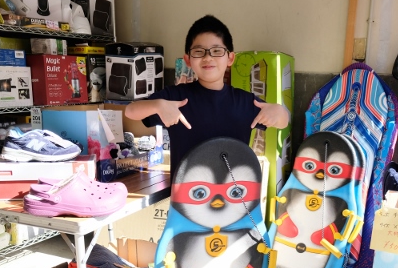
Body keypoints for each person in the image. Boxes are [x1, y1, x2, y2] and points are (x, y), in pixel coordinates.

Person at [124, 14, 290, 177]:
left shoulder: (244, 102)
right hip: (185, 193)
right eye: (199, 51)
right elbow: (131, 111)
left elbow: (283, 122)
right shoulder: (175, 97)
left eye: (216, 51)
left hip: (233, 192)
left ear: (230, 58)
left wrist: (278, 111)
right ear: (188, 60)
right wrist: (158, 105)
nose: (208, 57)